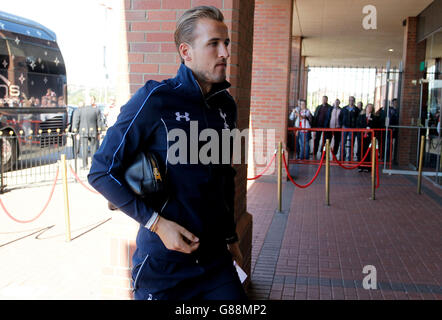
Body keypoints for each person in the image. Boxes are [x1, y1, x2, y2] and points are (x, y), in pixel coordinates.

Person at [88, 6, 247, 301]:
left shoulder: (226, 105)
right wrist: (158, 225)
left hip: (216, 264)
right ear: (186, 52)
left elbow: (225, 177)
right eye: (214, 43)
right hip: (164, 268)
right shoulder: (155, 99)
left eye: (226, 43)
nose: (225, 52)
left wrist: (230, 236)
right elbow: (101, 172)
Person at [72, 96, 103, 169]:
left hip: (83, 131)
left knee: (84, 148)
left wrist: (75, 132)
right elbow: (99, 122)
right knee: (94, 148)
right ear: (92, 101)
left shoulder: (79, 110)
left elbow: (76, 121)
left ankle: (85, 165)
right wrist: (99, 132)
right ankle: (93, 164)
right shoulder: (96, 110)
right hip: (94, 131)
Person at [356, 103, 379, 172]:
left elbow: (376, 125)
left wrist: (370, 126)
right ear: (365, 108)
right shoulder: (361, 116)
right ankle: (360, 166)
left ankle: (368, 167)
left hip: (370, 137)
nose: (369, 109)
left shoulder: (374, 117)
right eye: (368, 107)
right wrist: (363, 129)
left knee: (368, 150)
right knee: (360, 150)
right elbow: (358, 125)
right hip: (361, 136)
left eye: (371, 108)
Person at [339, 96, 360, 161]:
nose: (351, 101)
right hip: (345, 127)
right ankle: (342, 157)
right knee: (342, 143)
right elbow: (340, 117)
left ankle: (350, 157)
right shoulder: (344, 109)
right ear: (348, 101)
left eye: (352, 100)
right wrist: (341, 125)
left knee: (351, 143)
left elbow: (358, 119)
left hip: (352, 128)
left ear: (354, 101)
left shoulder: (357, 110)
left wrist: (356, 127)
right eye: (350, 100)